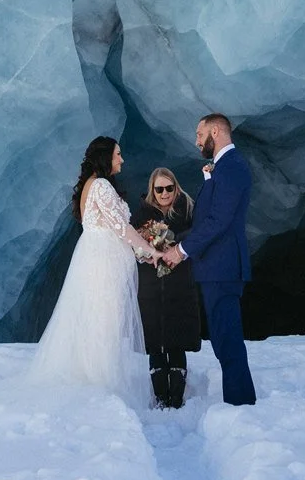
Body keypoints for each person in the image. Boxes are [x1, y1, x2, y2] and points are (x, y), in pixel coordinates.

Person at [28, 136, 157, 400]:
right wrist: (150, 249)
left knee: (95, 314)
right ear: (105, 157)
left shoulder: (90, 185)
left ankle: (91, 376)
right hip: (104, 260)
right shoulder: (100, 185)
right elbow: (121, 228)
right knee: (105, 316)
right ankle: (100, 381)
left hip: (94, 255)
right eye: (118, 154)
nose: (122, 159)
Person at [159, 113, 256, 405]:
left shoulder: (233, 167)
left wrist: (181, 251)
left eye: (200, 135)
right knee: (223, 336)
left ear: (216, 131)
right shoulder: (223, 168)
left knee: (227, 337)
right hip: (216, 267)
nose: (197, 141)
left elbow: (218, 221)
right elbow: (210, 218)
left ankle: (240, 404)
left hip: (223, 267)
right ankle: (238, 400)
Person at [130, 168, 202, 408]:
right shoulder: (141, 215)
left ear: (175, 187)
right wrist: (147, 248)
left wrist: (174, 240)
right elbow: (132, 243)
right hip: (151, 286)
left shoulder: (188, 210)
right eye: (159, 189)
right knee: (156, 341)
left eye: (168, 188)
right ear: (152, 190)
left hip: (179, 283)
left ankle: (176, 400)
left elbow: (199, 235)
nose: (164, 193)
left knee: (176, 338)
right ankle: (161, 399)